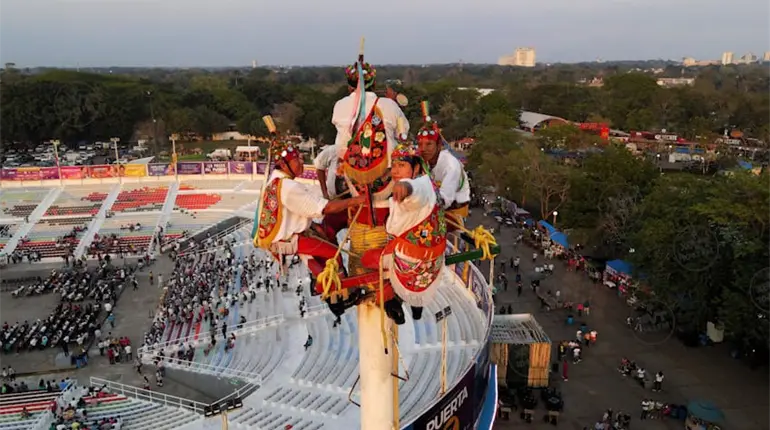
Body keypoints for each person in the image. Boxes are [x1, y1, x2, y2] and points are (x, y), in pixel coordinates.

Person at [361, 137, 448, 322]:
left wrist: (404, 187)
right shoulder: (430, 183)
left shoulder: (418, 186)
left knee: (367, 259)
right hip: (433, 261)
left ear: (416, 168)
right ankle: (417, 305)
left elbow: (414, 191)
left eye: (401, 165)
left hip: (411, 260)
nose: (395, 171)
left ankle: (391, 301)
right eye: (394, 166)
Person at [254, 138, 365, 266]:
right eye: (297, 160)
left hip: (282, 238)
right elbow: (326, 208)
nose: (302, 162)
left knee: (326, 232)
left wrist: (314, 226)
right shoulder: (289, 187)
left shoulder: (275, 179)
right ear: (284, 165)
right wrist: (357, 200)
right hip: (288, 240)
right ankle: (335, 279)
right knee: (333, 255)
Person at [415, 108, 470, 229]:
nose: (423, 149)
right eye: (420, 144)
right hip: (432, 209)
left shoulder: (451, 165)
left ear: (439, 145)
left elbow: (444, 201)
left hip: (452, 213)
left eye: (429, 144)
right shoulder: (422, 159)